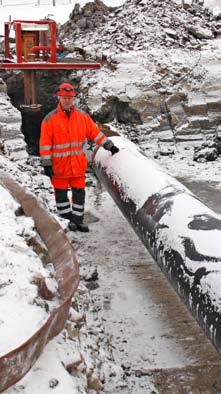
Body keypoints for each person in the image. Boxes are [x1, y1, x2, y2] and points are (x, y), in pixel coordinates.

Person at [39, 82, 119, 233]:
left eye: (69, 98)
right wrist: (46, 163)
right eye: (64, 98)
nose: (67, 100)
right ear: (59, 98)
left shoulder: (82, 117)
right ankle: (67, 221)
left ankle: (78, 220)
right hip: (59, 167)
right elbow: (44, 143)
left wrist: (109, 145)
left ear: (73, 99)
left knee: (79, 195)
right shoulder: (49, 120)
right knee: (61, 197)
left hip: (77, 166)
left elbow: (94, 133)